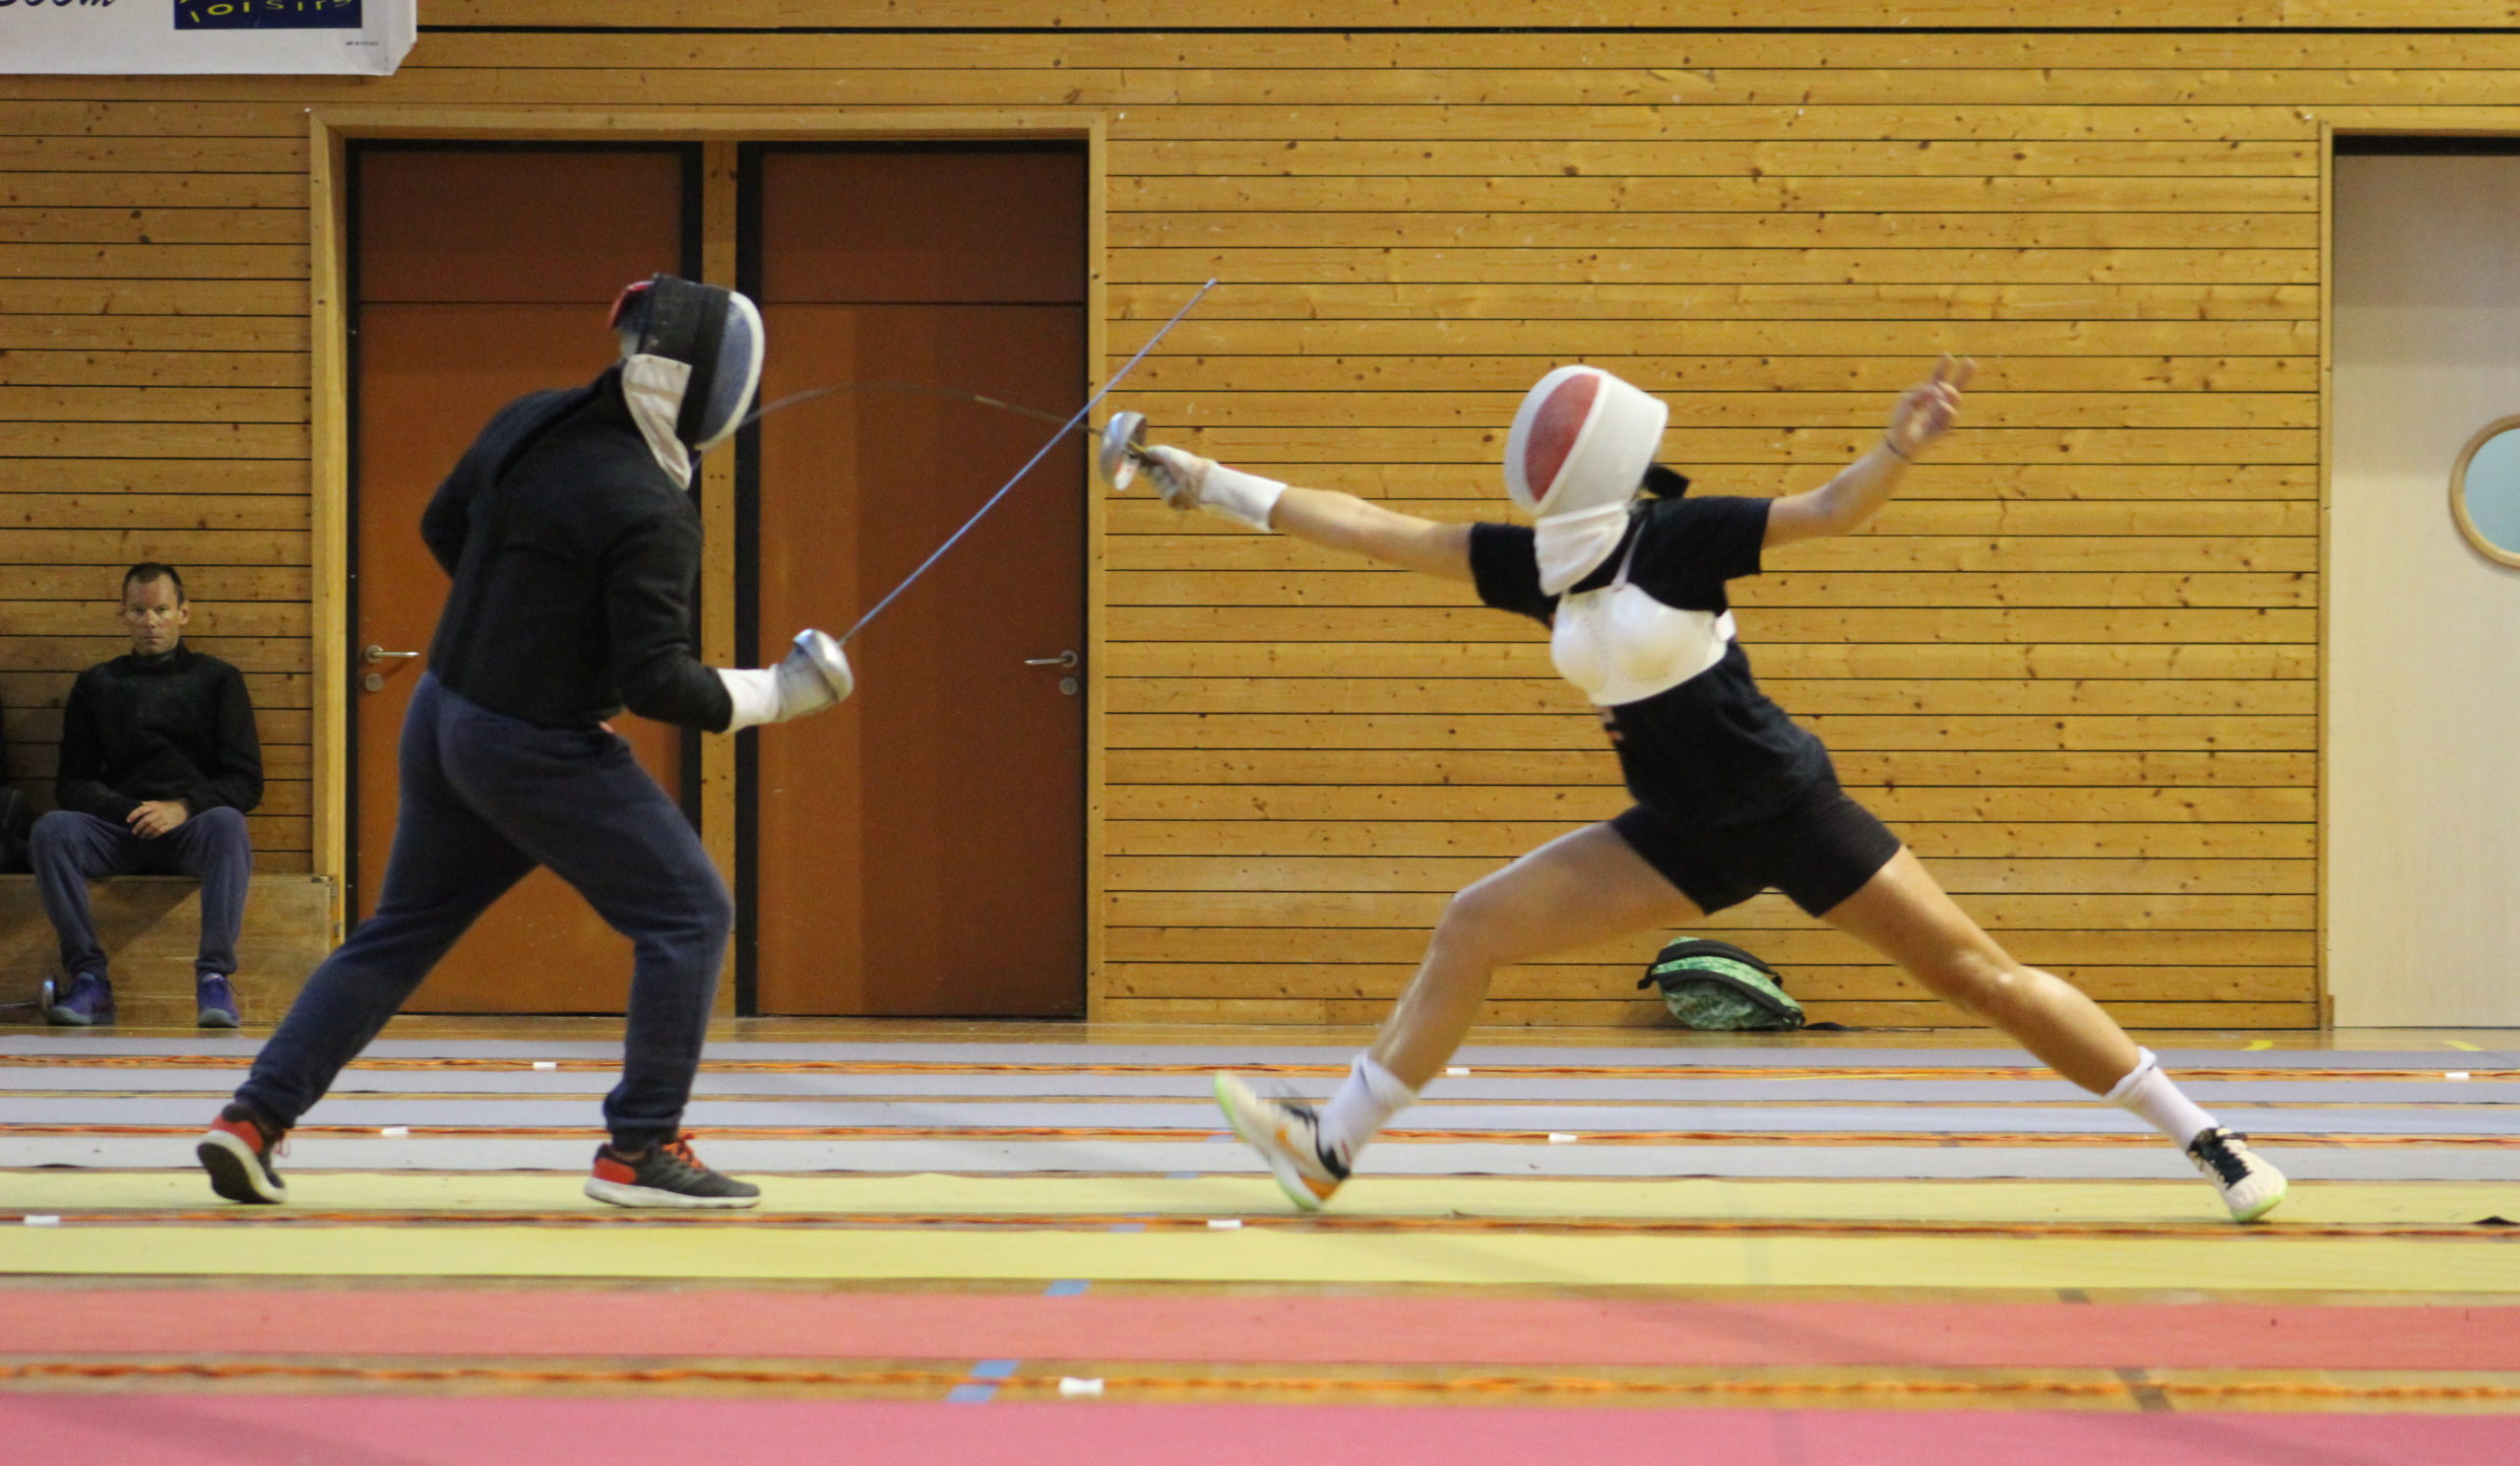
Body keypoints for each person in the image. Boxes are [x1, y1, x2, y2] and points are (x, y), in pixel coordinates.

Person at [1137, 356, 2289, 1224]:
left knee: (1977, 977)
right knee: (1473, 926)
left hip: (1788, 810)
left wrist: (1898, 446)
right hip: (1677, 834)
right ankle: (1328, 1147)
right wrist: (1203, 480)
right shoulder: (1538, 571)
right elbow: (1371, 528)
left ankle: (2211, 1143)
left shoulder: (1679, 537)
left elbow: (1831, 513)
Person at [195, 275, 853, 1211]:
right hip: (532, 745)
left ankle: (251, 1120)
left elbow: (441, 524)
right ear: (706, 385)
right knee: (691, 916)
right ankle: (638, 1148)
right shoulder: (652, 510)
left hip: (443, 714)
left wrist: (517, 629)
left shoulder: (530, 417)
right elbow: (654, 681)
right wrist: (780, 694)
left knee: (396, 934)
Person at [32, 563, 262, 1030]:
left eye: (160, 609)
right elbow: (71, 783)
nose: (150, 621)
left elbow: (245, 781)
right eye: (139, 610)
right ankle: (90, 980)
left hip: (190, 830)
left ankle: (215, 979)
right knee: (51, 830)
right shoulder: (97, 684)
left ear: (183, 613)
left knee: (228, 823)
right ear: (123, 615)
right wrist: (129, 810)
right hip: (119, 828)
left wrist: (182, 808)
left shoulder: (219, 680)